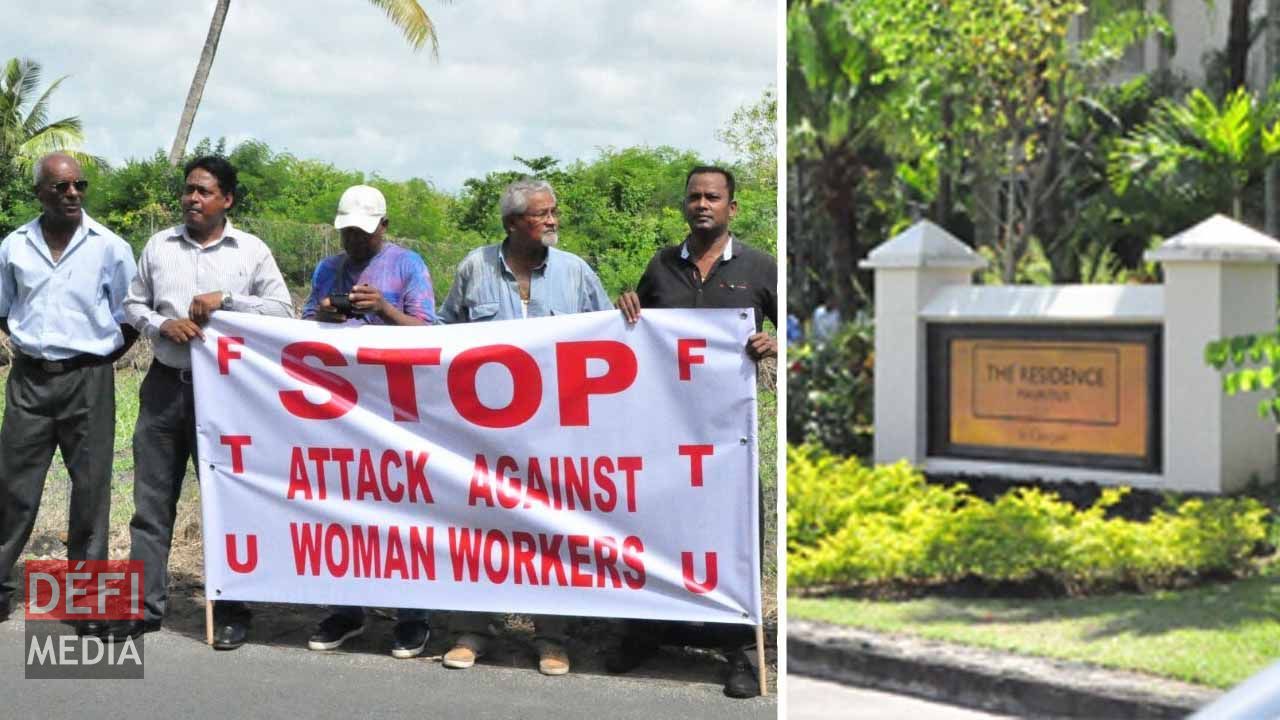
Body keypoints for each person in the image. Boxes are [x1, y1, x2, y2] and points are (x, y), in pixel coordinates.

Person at [111, 155, 294, 650]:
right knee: (151, 503)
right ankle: (142, 609)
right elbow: (132, 303)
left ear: (227, 200)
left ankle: (232, 609)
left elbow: (284, 310)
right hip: (166, 385)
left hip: (229, 394)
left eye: (204, 191)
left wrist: (228, 301)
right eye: (189, 190)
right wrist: (158, 325)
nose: (193, 198)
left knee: (228, 504)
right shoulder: (159, 245)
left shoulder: (250, 252)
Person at [437, 178, 612, 675]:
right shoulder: (475, 267)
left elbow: (608, 339)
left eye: (555, 211)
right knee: (478, 529)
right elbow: (445, 333)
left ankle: (551, 637)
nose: (554, 220)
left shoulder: (577, 273)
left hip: (557, 431)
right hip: (483, 431)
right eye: (542, 214)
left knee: (550, 531)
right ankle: (471, 629)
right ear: (514, 223)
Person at [615, 165, 777, 698]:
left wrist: (779, 345)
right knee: (661, 527)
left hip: (731, 435)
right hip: (667, 430)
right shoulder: (661, 266)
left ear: (732, 207)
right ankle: (648, 633)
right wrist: (625, 308)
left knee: (736, 532)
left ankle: (744, 650)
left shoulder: (759, 267)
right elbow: (633, 336)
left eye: (713, 197)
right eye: (694, 197)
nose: (702, 204)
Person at [0, 153, 137, 633]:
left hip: (89, 381)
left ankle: (90, 602)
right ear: (39, 192)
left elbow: (129, 316)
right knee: (12, 489)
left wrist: (92, 360)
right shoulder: (13, 247)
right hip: (29, 380)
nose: (74, 193)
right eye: (61, 187)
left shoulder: (111, 247)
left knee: (92, 491)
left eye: (80, 185)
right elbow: (4, 309)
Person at [301, 184, 436, 657]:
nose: (353, 241)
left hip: (395, 407)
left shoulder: (407, 265)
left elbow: (428, 332)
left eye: (362, 232)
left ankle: (413, 615)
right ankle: (346, 609)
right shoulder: (328, 269)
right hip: (340, 406)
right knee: (343, 506)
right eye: (347, 233)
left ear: (383, 226)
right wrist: (325, 314)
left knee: (405, 508)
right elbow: (303, 329)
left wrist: (382, 309)